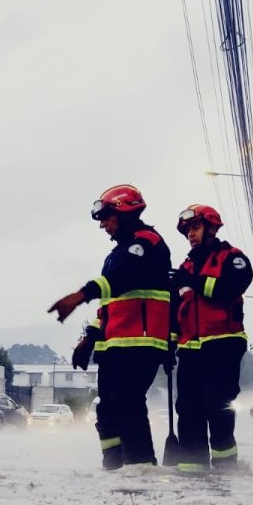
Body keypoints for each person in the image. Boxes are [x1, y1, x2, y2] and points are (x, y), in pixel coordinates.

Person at [48, 185, 172, 470]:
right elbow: (108, 304)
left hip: (142, 343)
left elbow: (121, 278)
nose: (103, 224)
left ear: (125, 212)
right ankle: (114, 469)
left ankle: (141, 470)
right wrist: (89, 339)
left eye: (107, 217)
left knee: (128, 402)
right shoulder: (115, 254)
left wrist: (80, 295)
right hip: (114, 346)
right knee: (107, 409)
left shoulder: (148, 243)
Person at [171, 204, 253, 472]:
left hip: (223, 347)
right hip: (190, 352)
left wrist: (193, 280)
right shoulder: (184, 267)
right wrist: (168, 345)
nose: (190, 234)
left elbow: (229, 289)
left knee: (217, 407)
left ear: (212, 228)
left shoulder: (233, 259)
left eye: (195, 228)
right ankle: (191, 477)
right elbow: (176, 311)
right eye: (187, 231)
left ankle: (225, 473)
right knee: (188, 411)